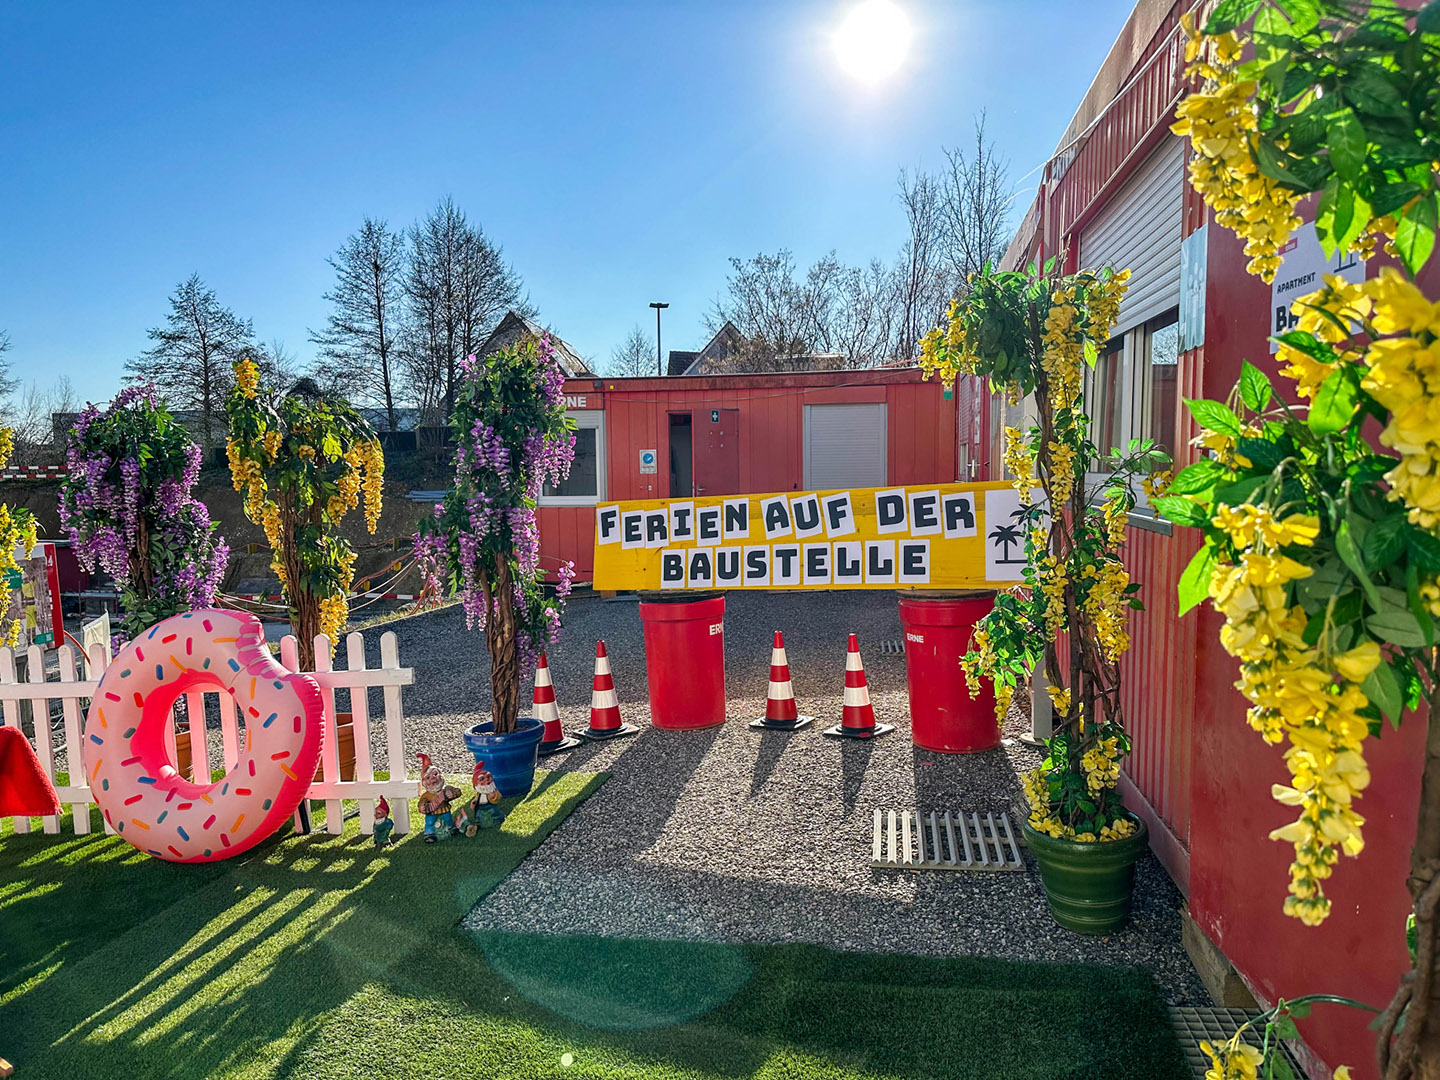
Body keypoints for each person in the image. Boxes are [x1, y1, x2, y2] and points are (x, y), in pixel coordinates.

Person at [415, 753, 461, 843]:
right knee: (430, 821)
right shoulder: (426, 795)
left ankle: (450, 828)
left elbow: (458, 791)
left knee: (448, 818)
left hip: (444, 809)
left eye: (435, 774)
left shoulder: (446, 789)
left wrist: (452, 793)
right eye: (428, 777)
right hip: (432, 813)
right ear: (424, 782)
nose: (433, 779)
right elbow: (421, 802)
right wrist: (422, 807)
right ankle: (429, 833)